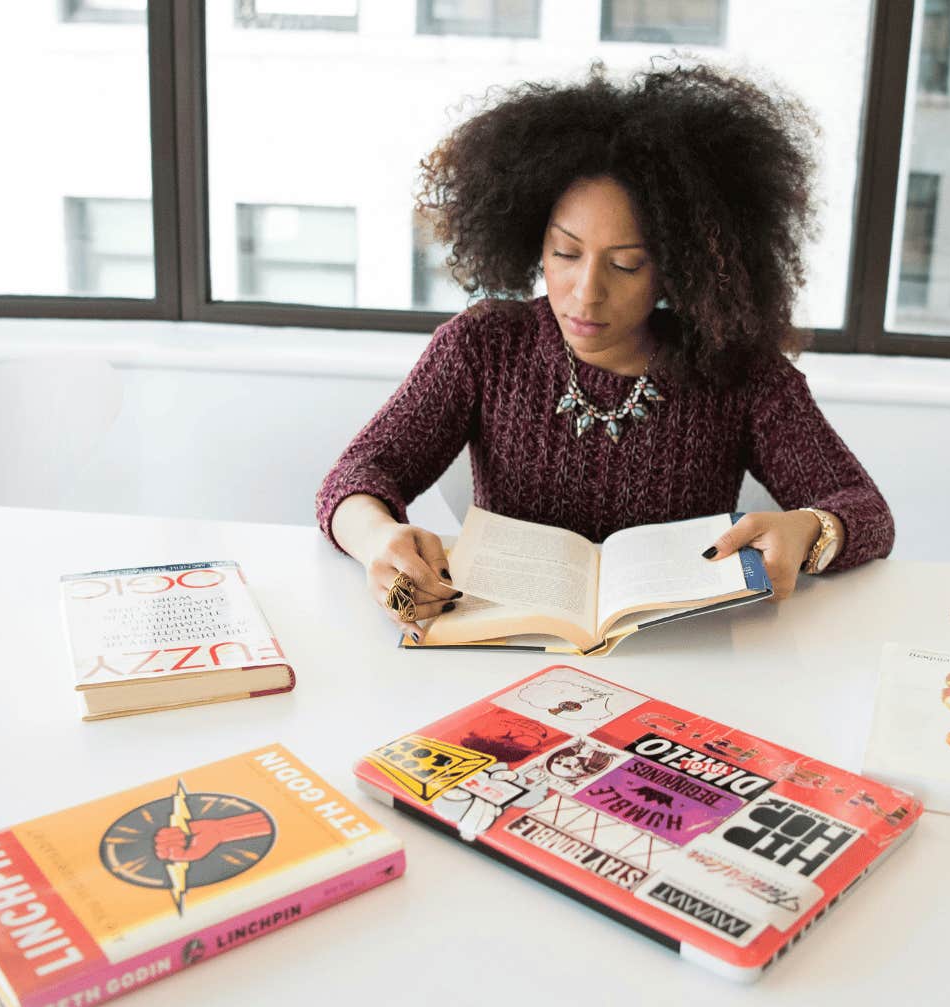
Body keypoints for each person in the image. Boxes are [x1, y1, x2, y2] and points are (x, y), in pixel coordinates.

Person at [316, 61, 893, 641]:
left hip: (685, 659)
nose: (587, 292)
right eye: (566, 253)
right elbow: (356, 476)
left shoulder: (737, 371)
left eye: (625, 264)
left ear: (678, 270)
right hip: (502, 649)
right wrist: (376, 540)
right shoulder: (483, 346)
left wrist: (810, 531)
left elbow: (866, 511)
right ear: (532, 240)